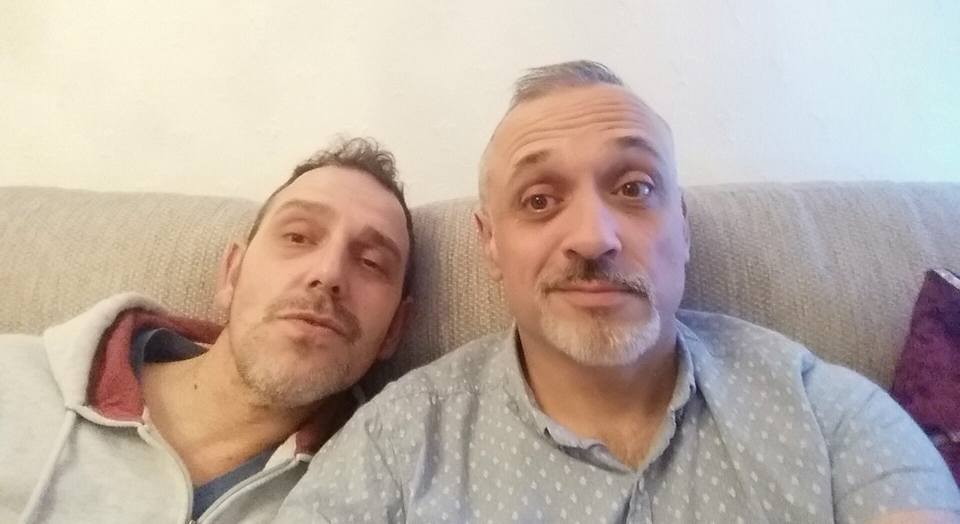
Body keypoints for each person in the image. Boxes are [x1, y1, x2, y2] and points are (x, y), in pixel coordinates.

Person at [275, 62, 960, 523]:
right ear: (490, 245)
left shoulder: (826, 415)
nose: (592, 238)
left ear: (682, 227)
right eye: (539, 200)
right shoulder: (394, 446)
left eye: (634, 188)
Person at [0, 138, 414, 523]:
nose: (328, 273)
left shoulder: (387, 484)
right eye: (298, 236)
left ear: (395, 329)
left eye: (372, 262)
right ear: (232, 273)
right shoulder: (13, 379)